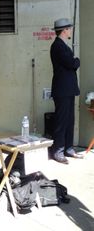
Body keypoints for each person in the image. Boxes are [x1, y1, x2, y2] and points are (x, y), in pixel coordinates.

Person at [50, 18, 83, 164]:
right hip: (62, 90)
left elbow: (71, 63)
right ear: (64, 30)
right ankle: (58, 150)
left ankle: (68, 148)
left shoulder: (63, 45)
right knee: (62, 121)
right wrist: (76, 61)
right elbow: (72, 63)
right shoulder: (58, 46)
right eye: (69, 28)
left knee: (69, 120)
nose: (70, 30)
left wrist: (75, 61)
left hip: (67, 90)